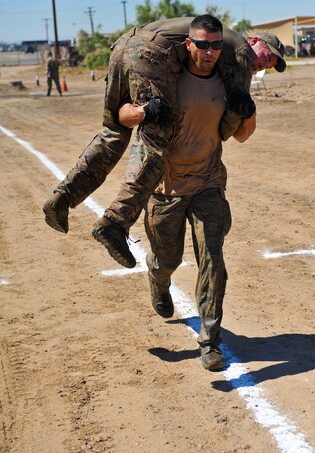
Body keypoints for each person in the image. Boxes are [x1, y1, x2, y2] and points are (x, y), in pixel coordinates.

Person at [43, 16, 286, 269]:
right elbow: (228, 130)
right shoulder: (240, 53)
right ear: (254, 41)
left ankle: (60, 199)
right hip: (152, 53)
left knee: (113, 132)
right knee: (157, 141)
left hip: (125, 45)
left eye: (271, 64)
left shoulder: (218, 42)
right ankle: (115, 223)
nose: (264, 64)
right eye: (268, 55)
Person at [143, 15, 256, 371]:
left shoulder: (226, 81)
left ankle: (210, 341)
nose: (209, 52)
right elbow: (124, 113)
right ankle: (158, 279)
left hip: (208, 183)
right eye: (203, 44)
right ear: (188, 43)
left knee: (213, 262)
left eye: (216, 45)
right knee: (167, 258)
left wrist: (247, 113)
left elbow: (239, 135)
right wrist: (139, 111)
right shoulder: (166, 79)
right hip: (167, 188)